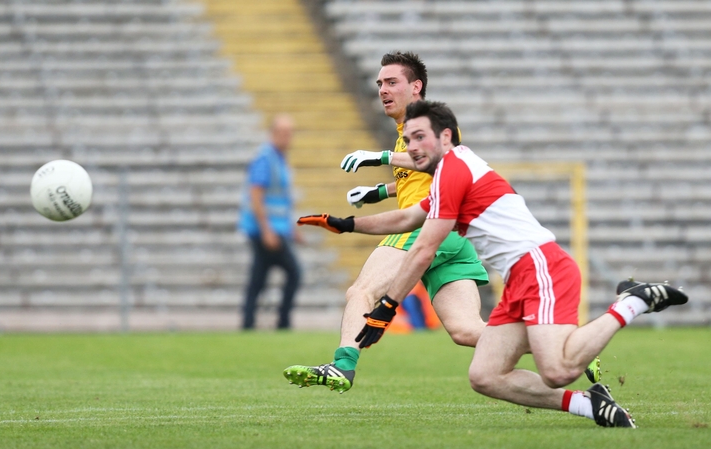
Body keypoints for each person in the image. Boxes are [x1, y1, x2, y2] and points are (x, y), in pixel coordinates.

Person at [298, 100, 689, 427]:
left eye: (420, 138)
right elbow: (405, 219)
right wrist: (347, 224)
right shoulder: (450, 173)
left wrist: (386, 306)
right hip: (520, 279)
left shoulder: (454, 168)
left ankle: (631, 302)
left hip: (541, 267)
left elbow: (422, 248)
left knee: (557, 369)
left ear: (445, 137)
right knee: (485, 376)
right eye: (409, 138)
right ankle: (591, 403)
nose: (413, 147)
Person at [283, 51, 490, 392]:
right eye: (380, 83)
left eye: (392, 82)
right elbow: (423, 177)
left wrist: (377, 157)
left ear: (416, 87)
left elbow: (436, 158)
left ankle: (342, 365)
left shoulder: (432, 120)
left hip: (426, 228)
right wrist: (378, 192)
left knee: (361, 291)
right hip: (453, 235)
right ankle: (562, 342)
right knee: (466, 330)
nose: (382, 89)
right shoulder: (406, 132)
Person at [238, 114, 302, 330]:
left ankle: (248, 323)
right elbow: (256, 195)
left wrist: (292, 228)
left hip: (276, 228)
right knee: (294, 272)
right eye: (283, 133)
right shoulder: (265, 158)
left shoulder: (278, 158)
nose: (287, 138)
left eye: (289, 134)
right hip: (265, 230)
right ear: (273, 134)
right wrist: (266, 230)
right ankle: (282, 322)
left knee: (259, 278)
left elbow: (282, 200)